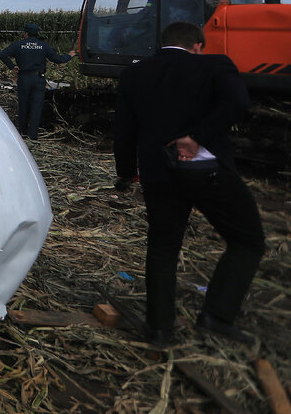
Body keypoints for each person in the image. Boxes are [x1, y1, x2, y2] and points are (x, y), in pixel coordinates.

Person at [113, 21, 265, 347]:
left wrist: (126, 173)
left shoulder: (134, 74)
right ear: (197, 45)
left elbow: (124, 132)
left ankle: (159, 330)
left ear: (162, 43)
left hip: (158, 173)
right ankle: (216, 317)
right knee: (247, 241)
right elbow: (238, 104)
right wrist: (195, 137)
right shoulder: (214, 64)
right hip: (206, 171)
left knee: (163, 248)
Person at [0, 23, 76, 139]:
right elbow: (58, 59)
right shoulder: (43, 46)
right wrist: (69, 55)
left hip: (24, 79)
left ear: (26, 33)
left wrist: (12, 66)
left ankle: (21, 134)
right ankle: (32, 136)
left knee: (23, 106)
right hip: (38, 79)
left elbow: (2, 54)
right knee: (36, 107)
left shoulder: (18, 45)